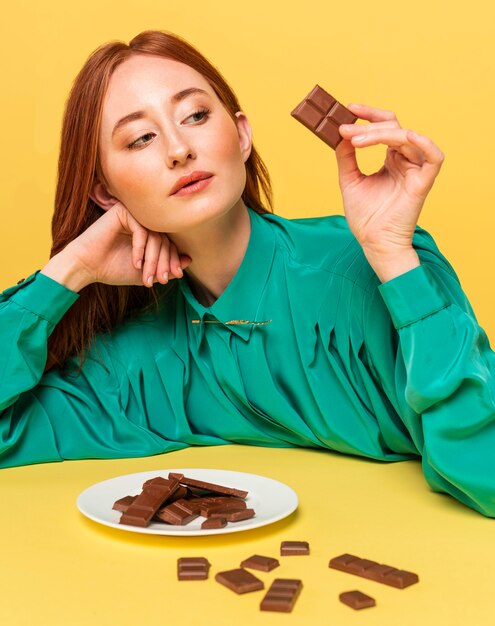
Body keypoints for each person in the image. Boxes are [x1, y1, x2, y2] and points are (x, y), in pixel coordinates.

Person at [1, 30, 494, 518]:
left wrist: (393, 256)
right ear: (107, 195)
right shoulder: (136, 367)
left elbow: (483, 471)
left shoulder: (374, 267)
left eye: (195, 115)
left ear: (240, 135)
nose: (178, 149)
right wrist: (69, 270)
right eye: (141, 138)